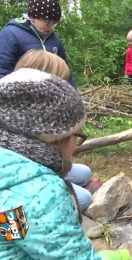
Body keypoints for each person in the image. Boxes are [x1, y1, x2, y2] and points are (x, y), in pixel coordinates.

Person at [0, 69, 132, 259]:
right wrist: (124, 256)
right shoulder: (38, 195)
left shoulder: (10, 180)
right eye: (77, 134)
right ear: (56, 138)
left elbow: (15, 233)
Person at [14, 50, 93, 211]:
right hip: (22, 182)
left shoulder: (38, 108)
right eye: (61, 81)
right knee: (84, 198)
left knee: (84, 172)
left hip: (37, 171)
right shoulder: (16, 119)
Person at [0, 0, 76, 87]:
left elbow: (66, 75)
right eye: (49, 21)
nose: (52, 26)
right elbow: (2, 70)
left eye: (55, 22)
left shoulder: (54, 40)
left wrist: (75, 97)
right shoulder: (10, 34)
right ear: (34, 16)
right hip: (21, 94)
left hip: (51, 95)